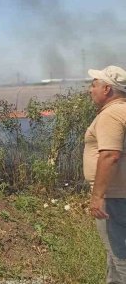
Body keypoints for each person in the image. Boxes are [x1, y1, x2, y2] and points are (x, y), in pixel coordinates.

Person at [85, 65, 126, 283]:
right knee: (114, 256)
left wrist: (98, 196)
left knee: (121, 256)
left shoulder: (111, 114)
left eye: (94, 85)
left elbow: (110, 155)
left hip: (115, 197)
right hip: (121, 194)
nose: (90, 90)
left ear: (107, 89)